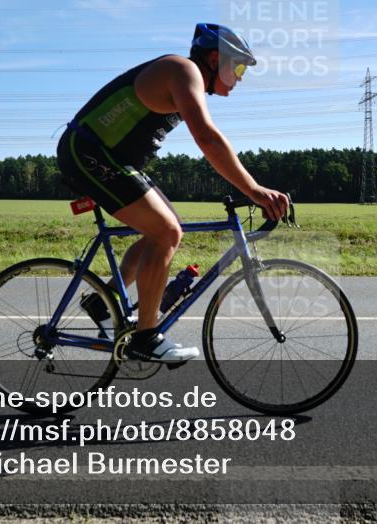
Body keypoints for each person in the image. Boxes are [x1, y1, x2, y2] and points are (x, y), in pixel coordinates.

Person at [56, 23, 290, 363]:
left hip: (107, 156)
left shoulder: (188, 76)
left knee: (167, 229)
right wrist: (254, 190)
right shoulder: (184, 71)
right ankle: (146, 338)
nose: (239, 77)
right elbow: (207, 138)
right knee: (166, 231)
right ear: (215, 58)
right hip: (88, 151)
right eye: (238, 67)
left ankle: (103, 299)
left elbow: (208, 141)